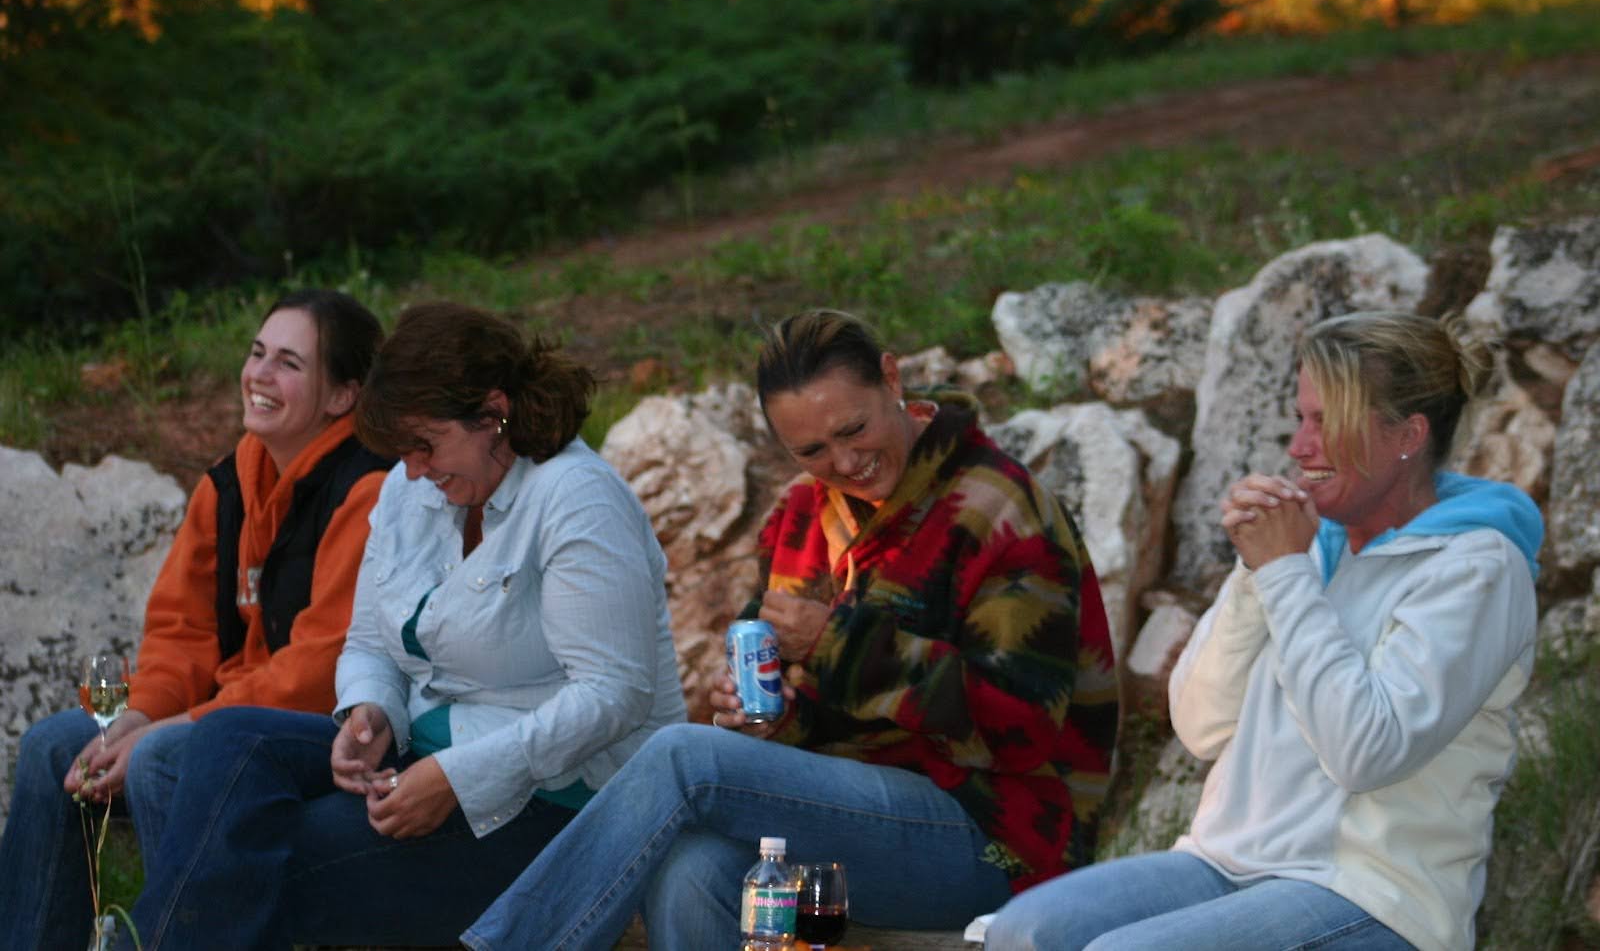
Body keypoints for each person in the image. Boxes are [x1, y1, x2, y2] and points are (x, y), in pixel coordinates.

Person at [461, 308, 1118, 951]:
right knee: (692, 869)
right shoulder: (804, 510)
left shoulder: (997, 508)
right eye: (812, 449)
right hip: (848, 819)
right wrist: (771, 717)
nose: (844, 461)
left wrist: (838, 645)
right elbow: (810, 699)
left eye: (853, 429)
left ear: (893, 379)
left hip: (998, 835)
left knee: (684, 759)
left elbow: (1022, 730)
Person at [119, 302, 687, 950]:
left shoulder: (575, 497)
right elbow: (369, 640)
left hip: (554, 799)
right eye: (403, 451)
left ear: (494, 412)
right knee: (195, 751)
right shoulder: (409, 486)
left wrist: (457, 779)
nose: (413, 469)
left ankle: (155, 938)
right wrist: (370, 712)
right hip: (417, 749)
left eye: (425, 445)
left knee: (247, 860)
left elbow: (615, 694)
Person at [985, 310, 1544, 951]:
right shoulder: (1307, 543)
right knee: (1022, 932)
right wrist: (1255, 576)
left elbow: (1367, 755)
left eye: (1326, 422)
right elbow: (1201, 727)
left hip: (1373, 892)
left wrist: (1283, 574)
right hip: (1226, 862)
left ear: (1406, 435)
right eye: (1300, 418)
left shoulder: (1477, 566)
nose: (1299, 447)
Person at [0, 289, 389, 951]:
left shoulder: (367, 490)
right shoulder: (229, 485)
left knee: (164, 758)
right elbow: (181, 632)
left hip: (318, 732)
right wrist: (138, 714)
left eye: (289, 363)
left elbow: (319, 672)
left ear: (341, 397)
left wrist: (173, 729)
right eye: (257, 353)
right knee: (53, 747)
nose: (259, 375)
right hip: (217, 716)